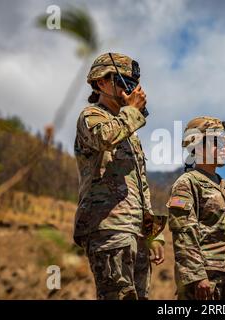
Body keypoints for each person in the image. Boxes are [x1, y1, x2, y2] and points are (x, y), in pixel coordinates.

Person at [73, 52, 166, 300]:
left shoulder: (129, 132)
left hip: (136, 232)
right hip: (109, 228)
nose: (131, 89)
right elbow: (105, 137)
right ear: (101, 82)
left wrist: (153, 233)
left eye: (133, 84)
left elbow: (142, 187)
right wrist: (133, 111)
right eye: (122, 81)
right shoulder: (91, 116)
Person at [167, 116, 225, 300]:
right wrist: (197, 275)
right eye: (217, 142)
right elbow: (184, 232)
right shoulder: (187, 183)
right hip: (207, 279)